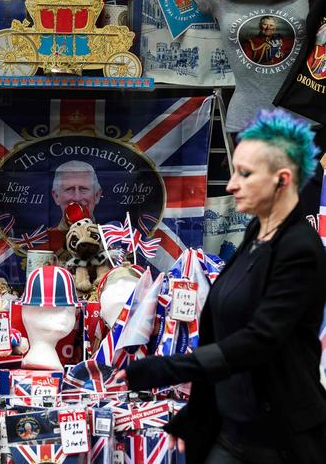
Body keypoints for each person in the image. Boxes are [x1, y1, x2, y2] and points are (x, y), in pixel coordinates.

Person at [117, 109, 326, 464]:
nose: (231, 185)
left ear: (282, 180)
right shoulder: (255, 234)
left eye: (245, 174)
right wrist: (196, 415)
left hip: (278, 441)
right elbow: (221, 328)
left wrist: (170, 368)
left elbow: (259, 340)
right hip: (231, 432)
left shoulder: (301, 249)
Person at [45, 161, 103, 255]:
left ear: (97, 195)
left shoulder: (110, 247)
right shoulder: (43, 251)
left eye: (84, 189)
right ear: (56, 196)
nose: (77, 198)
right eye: (69, 189)